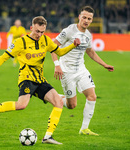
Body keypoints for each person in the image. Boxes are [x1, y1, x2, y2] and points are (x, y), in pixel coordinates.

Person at [0, 16, 80, 145]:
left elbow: (60, 52)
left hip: (40, 79)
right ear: (31, 28)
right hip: (26, 78)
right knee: (21, 105)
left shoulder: (46, 40)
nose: (39, 34)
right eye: (37, 31)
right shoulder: (20, 42)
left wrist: (73, 45)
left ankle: (48, 137)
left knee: (58, 102)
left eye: (42, 32)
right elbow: (3, 57)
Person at [51, 6, 114, 136]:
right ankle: (54, 97)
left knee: (92, 96)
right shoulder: (69, 30)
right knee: (71, 105)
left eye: (89, 18)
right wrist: (57, 65)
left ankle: (84, 129)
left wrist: (104, 64)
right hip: (66, 72)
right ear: (79, 17)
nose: (86, 20)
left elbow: (90, 51)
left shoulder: (88, 35)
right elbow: (53, 45)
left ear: (91, 20)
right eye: (84, 17)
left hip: (81, 70)